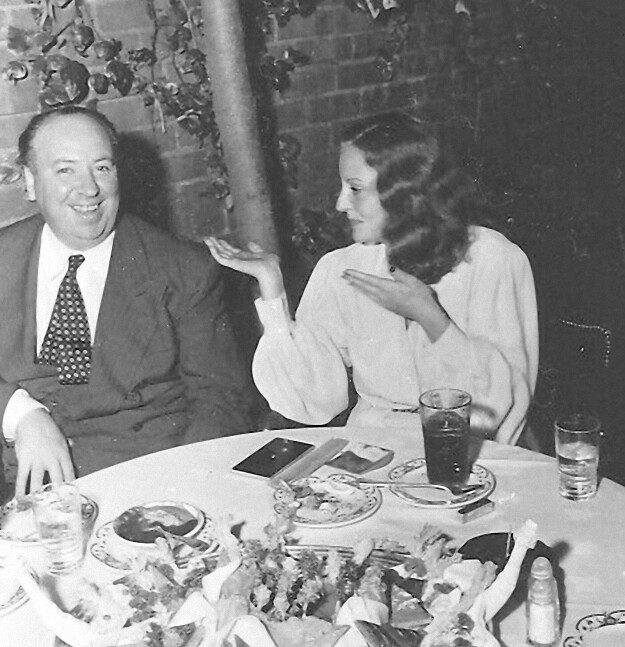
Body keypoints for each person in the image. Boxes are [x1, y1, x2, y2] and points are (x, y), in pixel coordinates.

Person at [206, 112, 538, 443]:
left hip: (462, 447)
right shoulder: (342, 268)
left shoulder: (490, 258)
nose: (340, 203)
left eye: (355, 188)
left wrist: (430, 317)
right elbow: (314, 399)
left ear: (403, 190)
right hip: (371, 444)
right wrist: (272, 288)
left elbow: (499, 407)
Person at [0, 105, 255, 498]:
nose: (89, 189)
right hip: (26, 484)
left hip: (150, 478)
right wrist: (20, 413)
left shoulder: (184, 268)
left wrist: (184, 492)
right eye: (65, 170)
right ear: (31, 182)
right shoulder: (4, 257)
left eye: (102, 167)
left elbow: (220, 400)